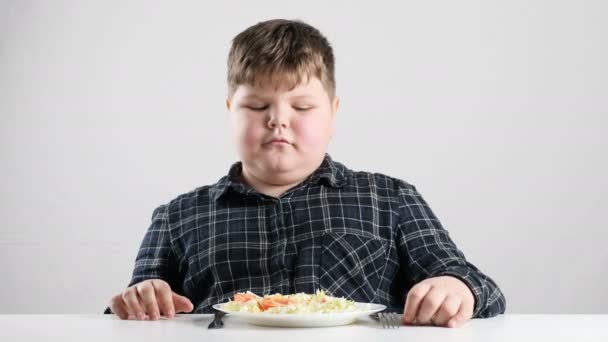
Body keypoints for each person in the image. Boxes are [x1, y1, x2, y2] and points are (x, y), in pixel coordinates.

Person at [106, 18, 506, 328]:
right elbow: (133, 312)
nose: (278, 121)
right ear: (231, 112)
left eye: (301, 107)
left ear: (333, 113)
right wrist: (140, 298)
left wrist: (458, 289)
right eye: (257, 107)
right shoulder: (178, 216)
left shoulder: (390, 199)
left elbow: (480, 287)